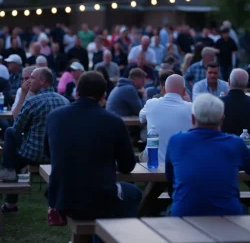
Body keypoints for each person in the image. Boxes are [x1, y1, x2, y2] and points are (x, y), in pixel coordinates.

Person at [45, 72, 141, 232]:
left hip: (62, 198)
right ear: (103, 96)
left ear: (76, 92)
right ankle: (115, 236)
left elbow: (49, 153)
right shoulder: (113, 121)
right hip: (98, 198)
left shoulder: (54, 117)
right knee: (134, 193)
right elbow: (127, 166)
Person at [166, 93, 250, 216]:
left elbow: (170, 176)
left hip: (185, 214)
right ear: (222, 119)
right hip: (227, 215)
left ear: (193, 118)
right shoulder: (235, 143)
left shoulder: (176, 141)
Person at [0, 68, 69, 213]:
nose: (28, 81)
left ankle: (11, 201)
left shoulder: (33, 102)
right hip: (56, 156)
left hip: (33, 155)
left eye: (31, 78)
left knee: (9, 132)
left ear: (42, 81)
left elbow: (17, 127)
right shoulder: (65, 101)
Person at [139, 75, 192, 162]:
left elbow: (141, 119)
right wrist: (189, 102)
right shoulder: (191, 108)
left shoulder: (151, 103)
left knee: (142, 155)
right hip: (180, 164)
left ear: (163, 89)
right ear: (184, 91)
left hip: (153, 161)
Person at [221, 69, 250, 146]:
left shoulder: (218, 103)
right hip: (248, 149)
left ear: (229, 82)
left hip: (223, 147)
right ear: (246, 84)